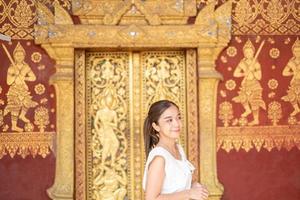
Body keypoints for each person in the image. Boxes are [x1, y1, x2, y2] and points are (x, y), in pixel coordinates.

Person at [143, 100, 209, 200]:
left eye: (178, 118)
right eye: (169, 120)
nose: (177, 124)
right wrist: (189, 194)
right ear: (156, 126)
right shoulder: (159, 158)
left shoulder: (178, 149)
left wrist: (194, 186)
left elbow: (176, 184)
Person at [232, 39, 266, 125]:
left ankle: (256, 120)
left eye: (250, 52)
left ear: (253, 53)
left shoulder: (256, 64)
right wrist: (244, 73)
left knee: (254, 101)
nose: (248, 54)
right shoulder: (242, 63)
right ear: (244, 53)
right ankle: (247, 110)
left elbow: (259, 77)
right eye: (246, 52)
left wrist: (253, 71)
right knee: (243, 97)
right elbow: (235, 74)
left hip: (254, 84)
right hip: (246, 84)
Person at [281, 38, 300, 116]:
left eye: (299, 51)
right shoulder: (291, 61)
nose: (297, 53)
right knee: (292, 96)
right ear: (293, 52)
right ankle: (296, 109)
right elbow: (284, 73)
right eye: (295, 51)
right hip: (295, 81)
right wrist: (293, 72)